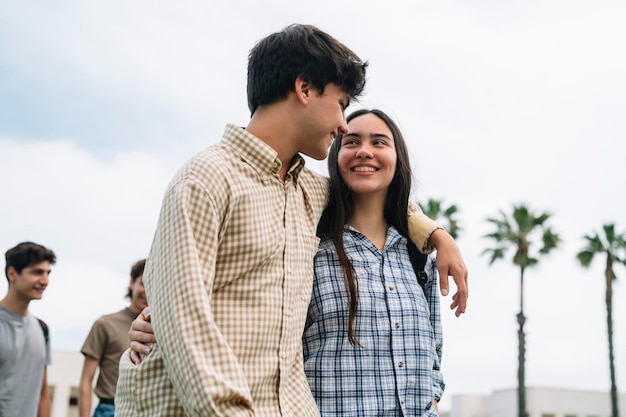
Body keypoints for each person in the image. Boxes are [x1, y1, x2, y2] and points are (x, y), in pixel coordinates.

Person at [116, 23, 467, 417]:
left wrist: (437, 235)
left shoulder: (309, 192)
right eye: (341, 104)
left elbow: (383, 196)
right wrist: (160, 321)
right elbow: (183, 320)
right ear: (304, 89)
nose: (343, 125)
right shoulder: (208, 177)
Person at [304, 108, 444, 416]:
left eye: (379, 142)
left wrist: (432, 400)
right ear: (336, 154)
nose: (364, 151)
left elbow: (434, 353)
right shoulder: (310, 250)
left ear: (397, 158)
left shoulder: (419, 256)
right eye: (351, 142)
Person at [78, 259, 147, 417]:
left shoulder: (162, 329)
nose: (147, 291)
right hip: (110, 409)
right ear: (132, 282)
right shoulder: (105, 324)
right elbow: (86, 379)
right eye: (143, 283)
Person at [0, 241, 56, 417]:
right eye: (37, 272)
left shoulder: (42, 329)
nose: (45, 281)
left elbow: (42, 392)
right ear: (12, 273)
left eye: (48, 273)